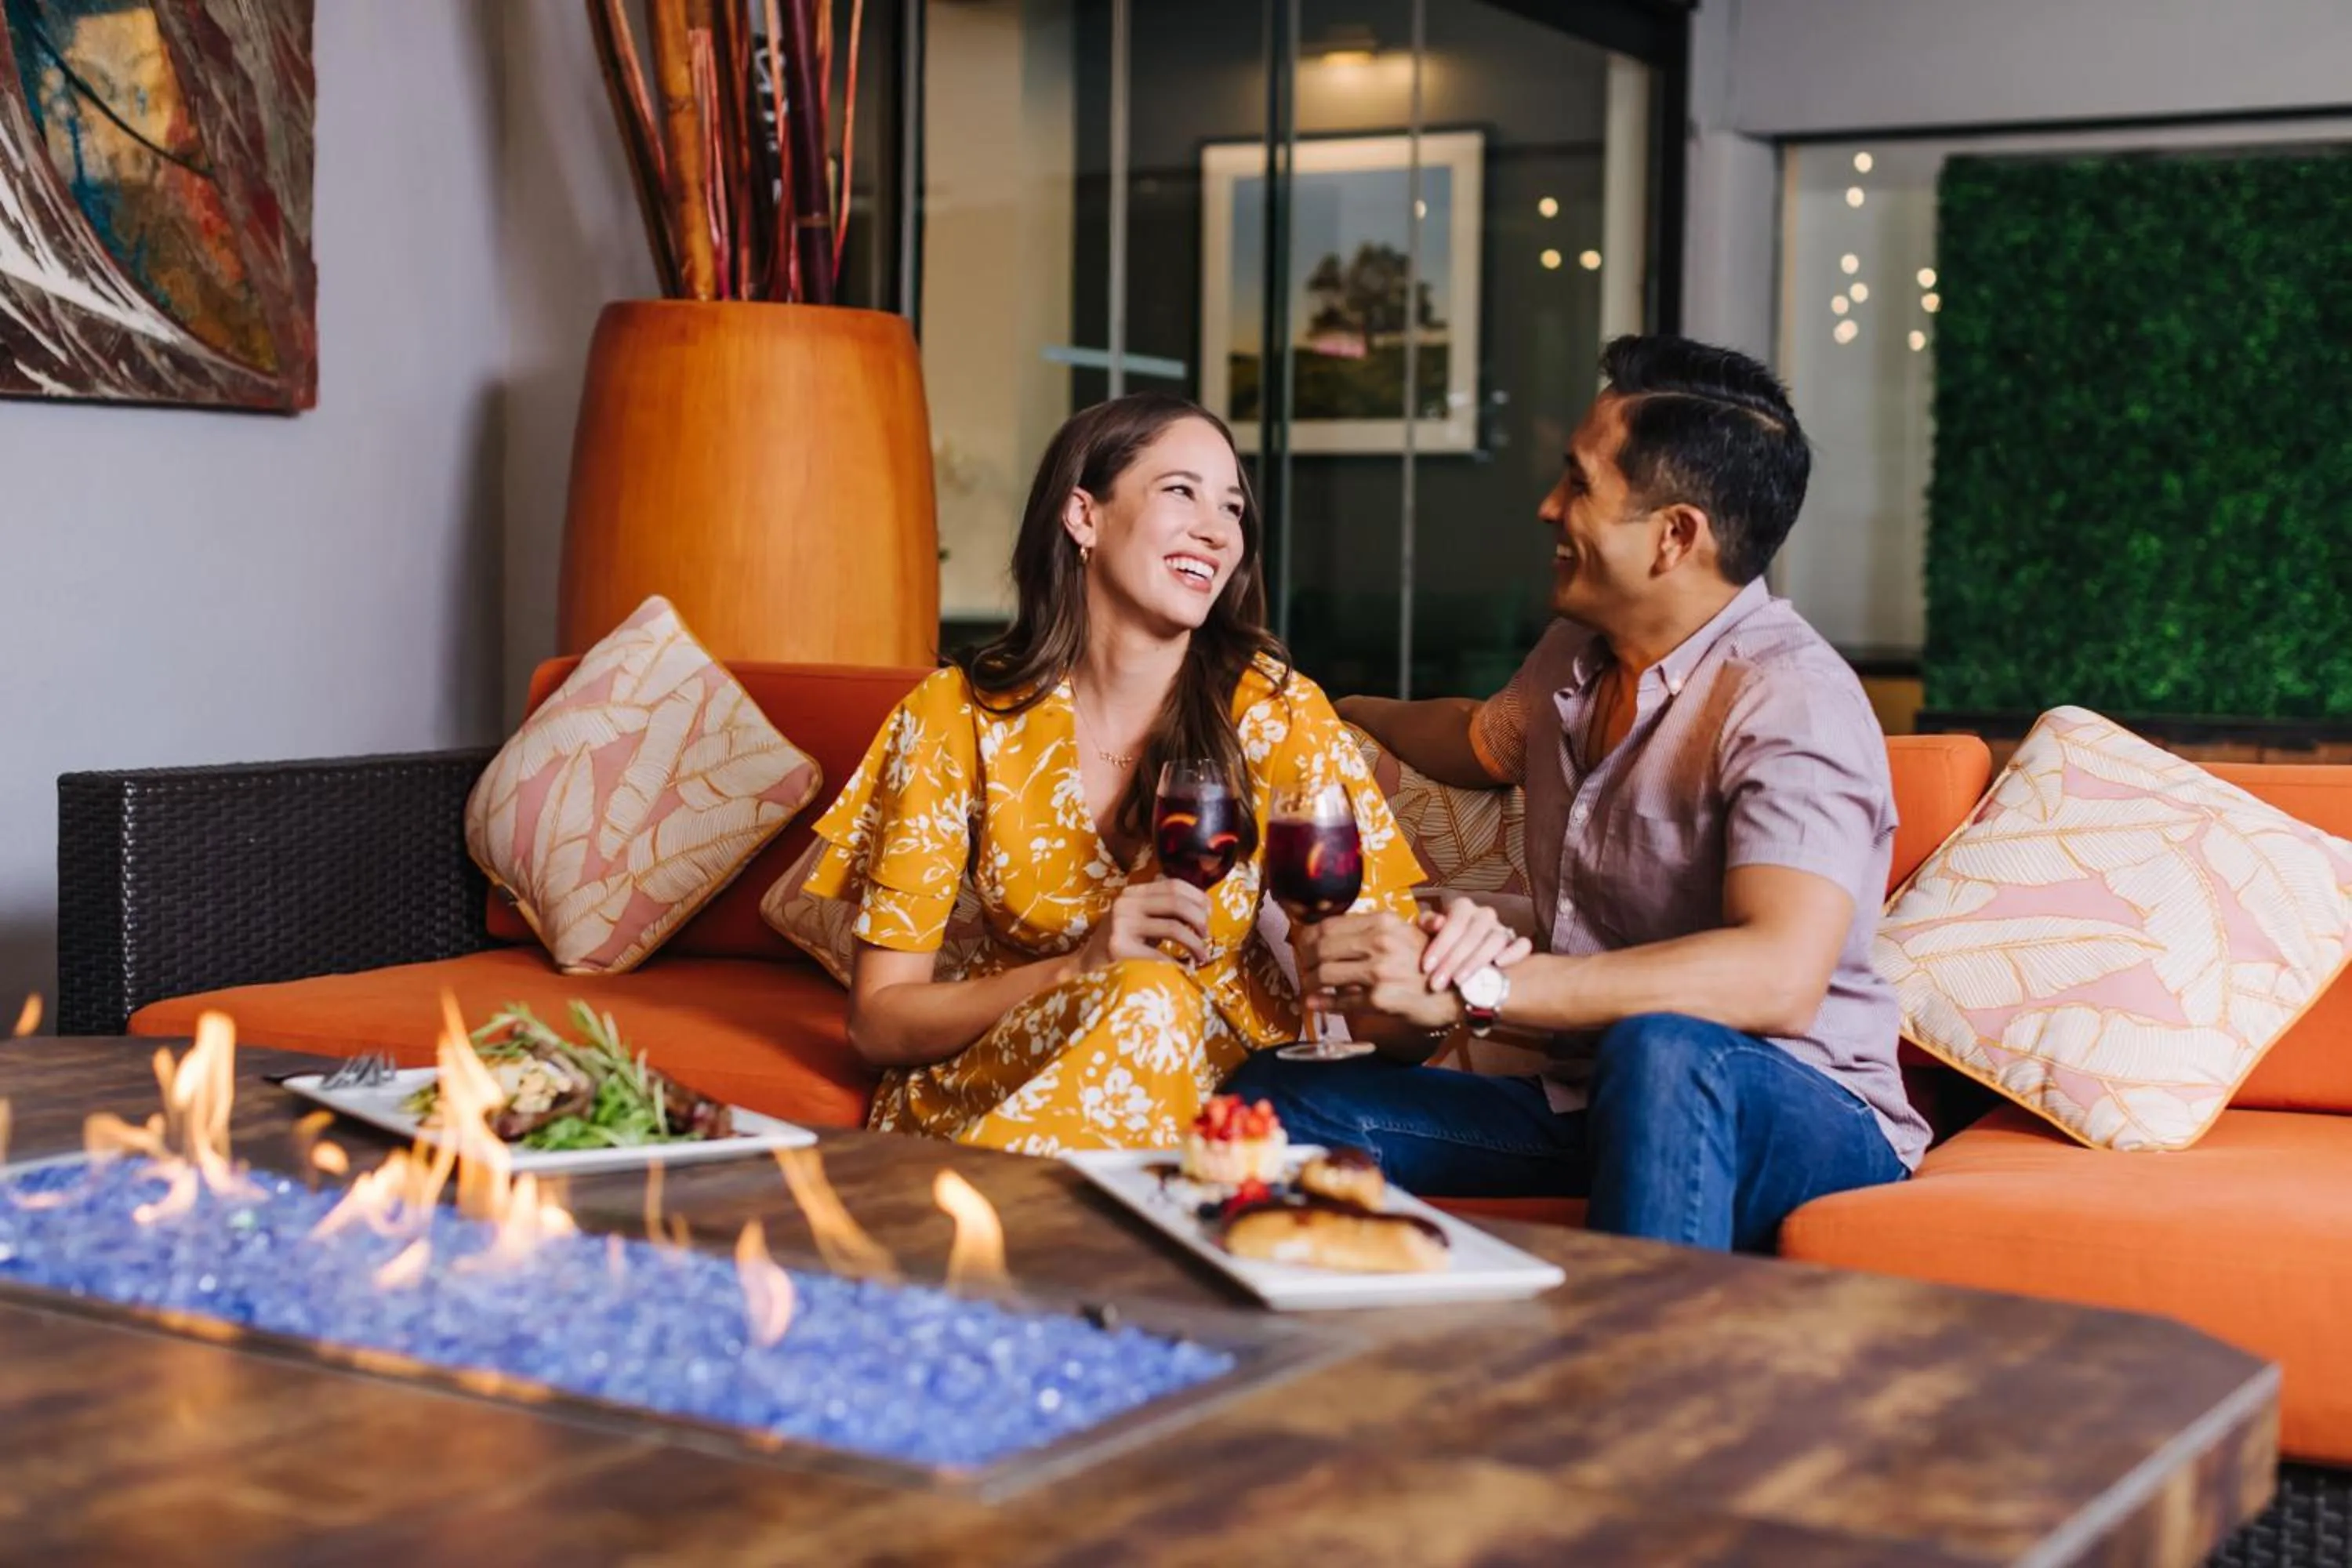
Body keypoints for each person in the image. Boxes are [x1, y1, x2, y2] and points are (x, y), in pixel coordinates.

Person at [1225, 336, 1930, 1252]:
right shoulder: (1577, 658)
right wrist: (1338, 707)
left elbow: (1780, 975)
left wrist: (1482, 985)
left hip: (1804, 1111)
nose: (1548, 506)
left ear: (1675, 536)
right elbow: (1482, 739)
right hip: (1593, 1101)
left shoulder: (1791, 700)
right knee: (1282, 1094)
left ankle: (1630, 1345)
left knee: (1663, 1047)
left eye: (1579, 483)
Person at [800, 393, 1526, 1154]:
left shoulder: (1276, 713)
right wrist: (1077, 970)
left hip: (1215, 1095)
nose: (1218, 530)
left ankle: (988, 1223)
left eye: (1232, 507)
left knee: (1152, 996)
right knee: (1142, 991)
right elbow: (877, 1023)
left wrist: (1429, 987)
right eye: (1182, 491)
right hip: (1011, 1070)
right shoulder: (955, 715)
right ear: (1083, 515)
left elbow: (1392, 1027)